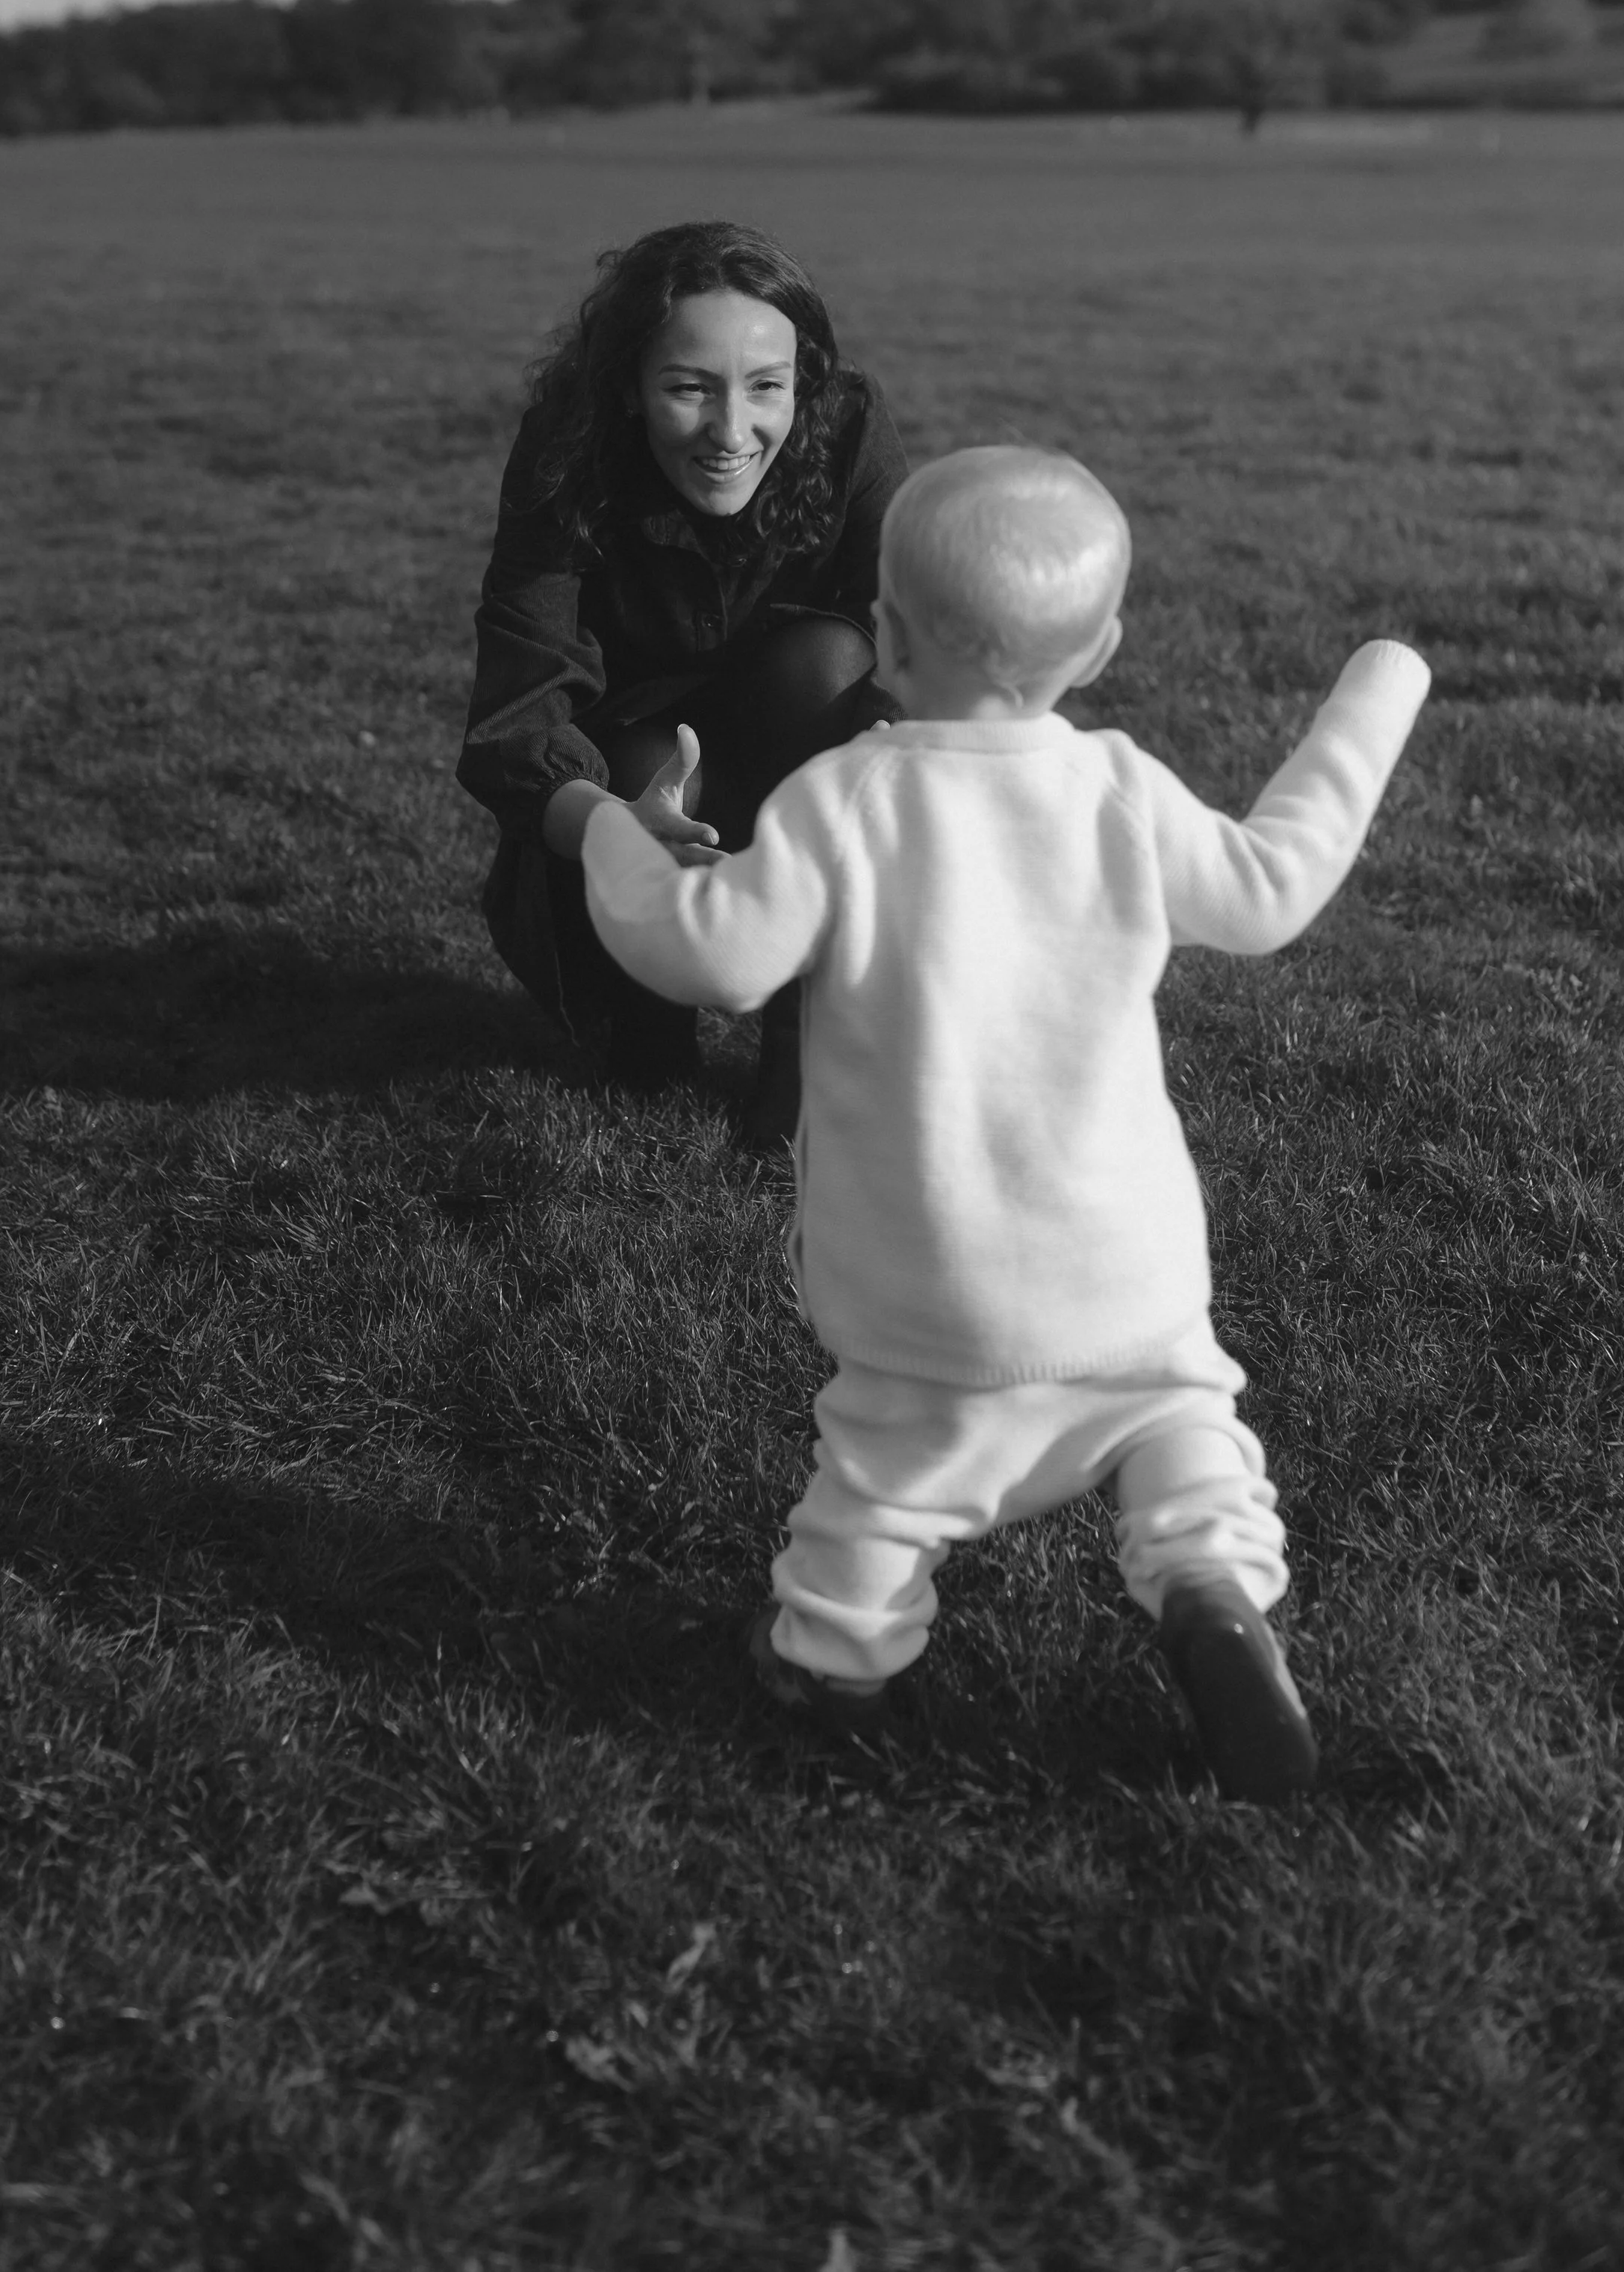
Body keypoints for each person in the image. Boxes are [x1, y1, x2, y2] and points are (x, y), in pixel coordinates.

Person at [575, 444, 1431, 1801]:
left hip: (929, 1282)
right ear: (1100, 646)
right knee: (1181, 1423)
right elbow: (1272, 887)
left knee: (889, 1474)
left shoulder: (842, 799)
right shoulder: (1119, 789)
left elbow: (714, 959)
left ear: (886, 636)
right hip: (1128, 1267)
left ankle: (837, 1661)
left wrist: (621, 836)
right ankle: (1210, 1583)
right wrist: (1377, 694)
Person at [456, 220, 906, 1143]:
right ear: (626, 384)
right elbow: (516, 707)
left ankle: (801, 1053)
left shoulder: (848, 425)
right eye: (689, 388)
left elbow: (914, 621)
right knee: (640, 759)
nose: (731, 432)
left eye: (766, 388)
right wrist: (614, 833)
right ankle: (646, 1026)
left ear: (803, 382)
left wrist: (884, 749)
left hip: (805, 764)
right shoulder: (566, 456)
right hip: (639, 782)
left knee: (828, 663)